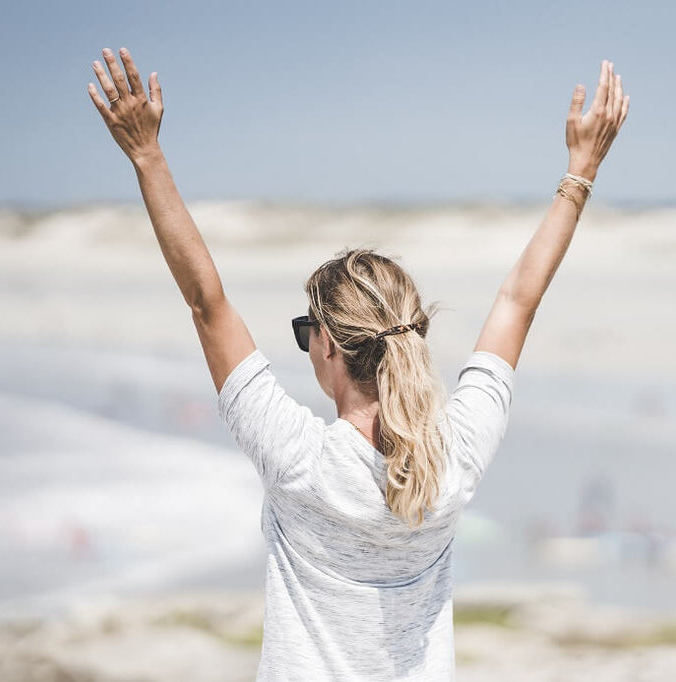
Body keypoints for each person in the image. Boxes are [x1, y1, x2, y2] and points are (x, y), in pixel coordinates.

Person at [88, 47, 628, 680]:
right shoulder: (450, 464)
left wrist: (147, 155)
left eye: (304, 330)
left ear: (330, 346)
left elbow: (207, 302)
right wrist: (581, 169)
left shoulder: (299, 463)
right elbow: (518, 302)